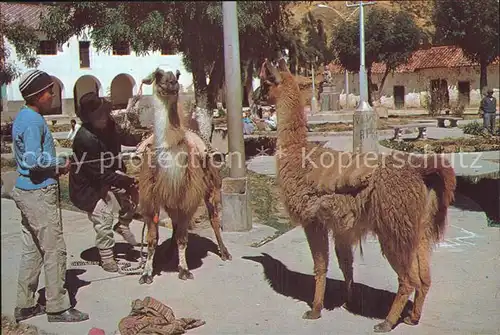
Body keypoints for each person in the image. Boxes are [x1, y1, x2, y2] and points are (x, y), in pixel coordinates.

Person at [11, 69, 89, 323]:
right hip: (38, 192)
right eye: (49, 91)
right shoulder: (34, 122)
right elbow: (34, 161)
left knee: (33, 249)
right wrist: (60, 162)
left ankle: (25, 305)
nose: (53, 95)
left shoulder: (23, 117)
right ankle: (57, 307)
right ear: (38, 95)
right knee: (55, 250)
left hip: (26, 191)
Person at [69, 92, 143, 272]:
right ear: (89, 118)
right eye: (99, 115)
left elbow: (125, 138)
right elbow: (100, 175)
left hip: (110, 172)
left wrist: (143, 138)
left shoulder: (109, 124)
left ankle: (123, 224)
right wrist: (126, 180)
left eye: (105, 113)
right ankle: (107, 258)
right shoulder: (84, 139)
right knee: (103, 216)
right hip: (87, 185)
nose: (104, 118)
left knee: (133, 197)